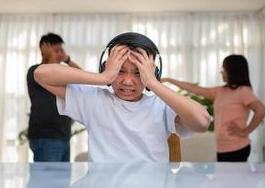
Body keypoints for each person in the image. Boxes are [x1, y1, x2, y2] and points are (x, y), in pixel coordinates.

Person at [34, 32, 210, 162]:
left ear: (153, 72)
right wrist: (103, 78)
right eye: (120, 71)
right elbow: (41, 74)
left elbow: (202, 122)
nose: (127, 81)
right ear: (106, 68)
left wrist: (153, 83)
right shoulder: (94, 101)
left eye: (138, 72)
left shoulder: (161, 106)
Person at [162, 54, 265, 162]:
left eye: (224, 69)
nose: (221, 72)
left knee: (233, 179)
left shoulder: (243, 91)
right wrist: (169, 80)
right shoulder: (220, 91)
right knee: (224, 179)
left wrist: (245, 132)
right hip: (221, 148)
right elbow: (194, 88)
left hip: (238, 147)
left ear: (232, 71)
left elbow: (261, 110)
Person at [27, 32, 81, 162]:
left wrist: (67, 59)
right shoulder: (35, 71)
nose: (58, 54)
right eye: (55, 50)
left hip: (64, 136)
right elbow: (52, 73)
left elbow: (81, 77)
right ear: (44, 50)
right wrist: (50, 56)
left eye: (60, 50)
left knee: (63, 182)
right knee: (46, 182)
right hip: (46, 137)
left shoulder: (62, 71)